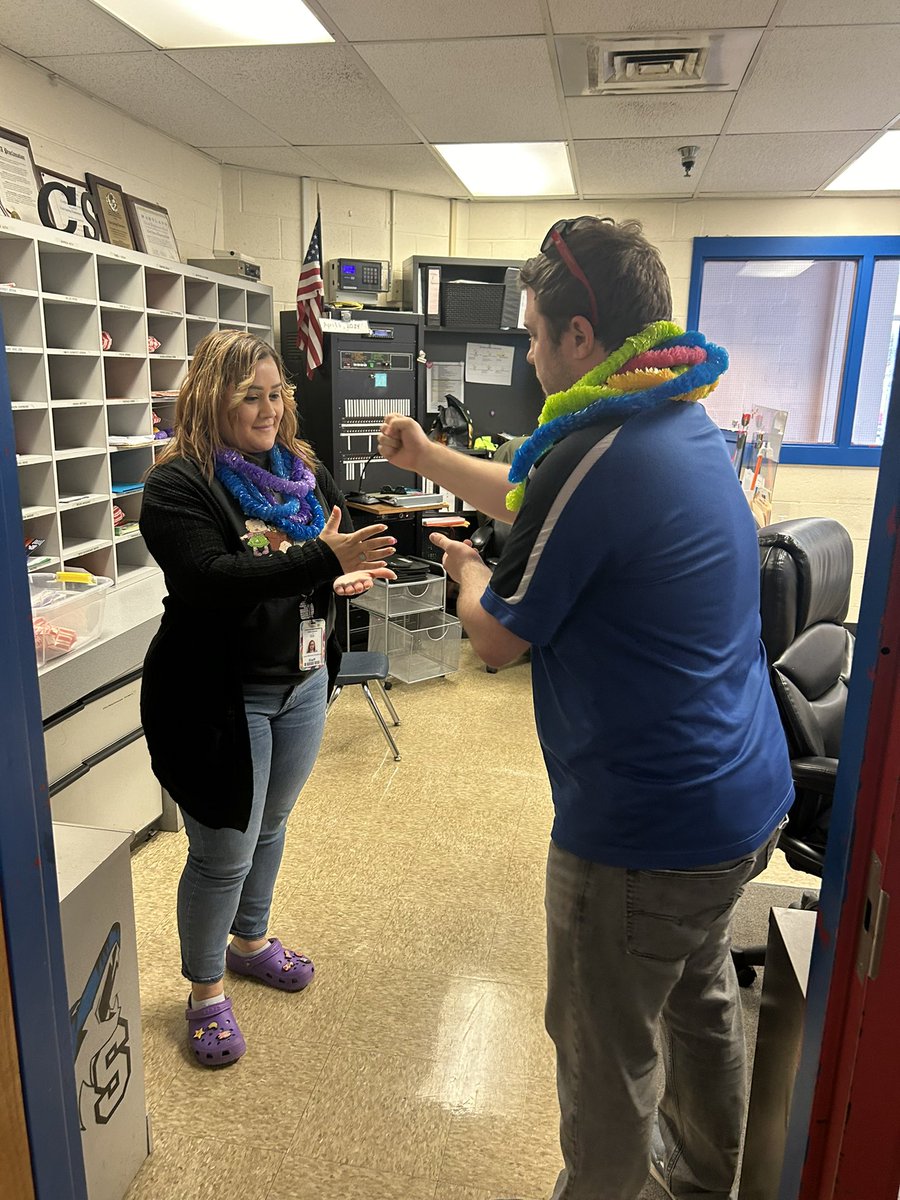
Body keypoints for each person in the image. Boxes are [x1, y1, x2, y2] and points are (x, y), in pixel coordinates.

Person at [379, 217, 794, 1200]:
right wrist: (430, 457)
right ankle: (706, 1181)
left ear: (579, 336)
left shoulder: (598, 451)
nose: (528, 355)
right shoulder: (679, 424)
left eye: (533, 334)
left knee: (606, 1053)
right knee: (697, 1001)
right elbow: (538, 497)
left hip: (644, 834)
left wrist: (466, 570)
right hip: (740, 804)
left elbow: (496, 639)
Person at [140, 330, 396, 1067]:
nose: (269, 408)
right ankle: (205, 993)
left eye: (275, 392)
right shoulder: (179, 485)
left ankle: (249, 942)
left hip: (301, 682)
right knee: (224, 849)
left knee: (272, 825)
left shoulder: (301, 470)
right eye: (248, 395)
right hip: (220, 698)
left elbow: (329, 550)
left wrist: (339, 576)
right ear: (208, 398)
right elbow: (211, 579)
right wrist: (321, 560)